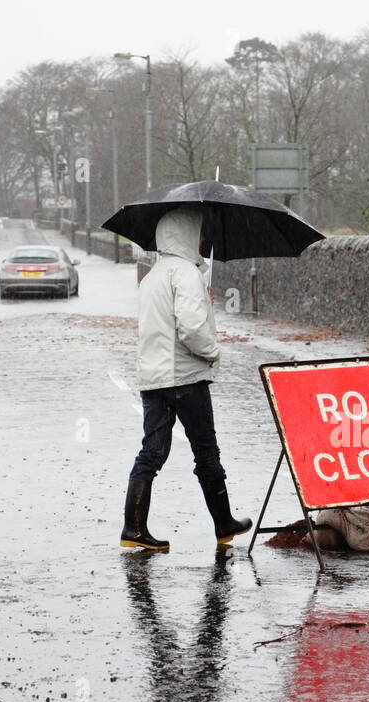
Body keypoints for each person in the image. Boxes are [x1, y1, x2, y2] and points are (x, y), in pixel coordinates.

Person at [120, 207, 252, 551]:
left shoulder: (152, 276)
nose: (204, 238)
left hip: (154, 379)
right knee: (206, 452)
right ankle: (223, 523)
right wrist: (212, 352)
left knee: (151, 453)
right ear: (187, 234)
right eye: (199, 232)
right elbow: (191, 328)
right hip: (186, 378)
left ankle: (133, 530)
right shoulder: (187, 274)